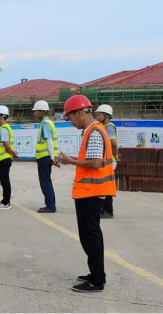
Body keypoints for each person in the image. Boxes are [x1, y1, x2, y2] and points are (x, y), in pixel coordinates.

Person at [59, 95, 117, 293]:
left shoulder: (94, 132)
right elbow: (91, 158)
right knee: (91, 235)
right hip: (91, 191)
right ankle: (96, 274)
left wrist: (72, 161)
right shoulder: (93, 131)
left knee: (90, 236)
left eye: (70, 117)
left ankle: (97, 280)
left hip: (91, 192)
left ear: (79, 113)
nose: (71, 122)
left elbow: (95, 163)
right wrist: (73, 159)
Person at [33, 100, 60, 213]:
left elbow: (49, 141)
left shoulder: (45, 124)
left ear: (42, 112)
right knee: (46, 181)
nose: (34, 113)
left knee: (45, 182)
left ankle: (50, 206)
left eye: (36, 111)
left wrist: (52, 157)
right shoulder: (48, 123)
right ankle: (50, 204)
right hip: (46, 157)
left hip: (44, 157)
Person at [0, 105, 19, 210]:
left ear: (2, 116)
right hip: (2, 159)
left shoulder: (3, 129)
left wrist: (11, 153)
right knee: (4, 181)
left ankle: (6, 202)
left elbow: (6, 145)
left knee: (5, 182)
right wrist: (12, 152)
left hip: (2, 160)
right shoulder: (4, 129)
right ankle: (5, 201)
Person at [95, 104, 118, 219]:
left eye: (99, 114)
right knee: (104, 186)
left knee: (106, 186)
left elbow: (113, 143)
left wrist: (115, 157)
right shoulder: (104, 126)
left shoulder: (109, 127)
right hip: (108, 160)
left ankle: (108, 211)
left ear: (106, 116)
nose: (97, 116)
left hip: (109, 161)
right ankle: (104, 209)